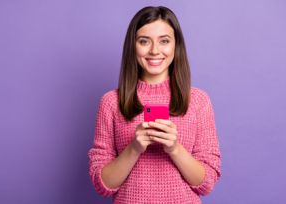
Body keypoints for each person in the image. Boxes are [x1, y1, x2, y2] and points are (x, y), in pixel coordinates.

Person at [88, 6, 221, 204]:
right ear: (133, 46)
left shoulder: (198, 101)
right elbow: (103, 185)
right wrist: (134, 148)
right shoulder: (111, 102)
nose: (154, 51)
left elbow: (207, 182)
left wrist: (175, 148)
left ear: (176, 46)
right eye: (144, 41)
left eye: (164, 41)